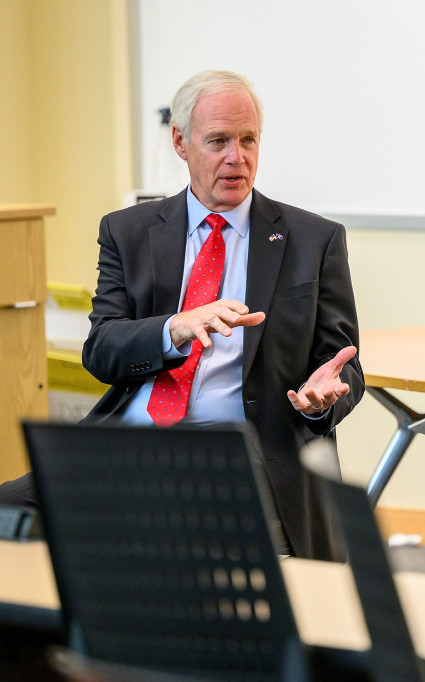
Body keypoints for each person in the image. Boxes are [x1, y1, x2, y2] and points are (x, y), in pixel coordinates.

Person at [0, 70, 364, 561]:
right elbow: (101, 350)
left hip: (241, 445)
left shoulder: (312, 240)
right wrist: (175, 328)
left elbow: (343, 367)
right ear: (181, 141)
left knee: (170, 527)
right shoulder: (127, 231)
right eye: (218, 141)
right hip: (128, 439)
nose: (237, 158)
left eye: (248, 140)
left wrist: (320, 403)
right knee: (7, 513)